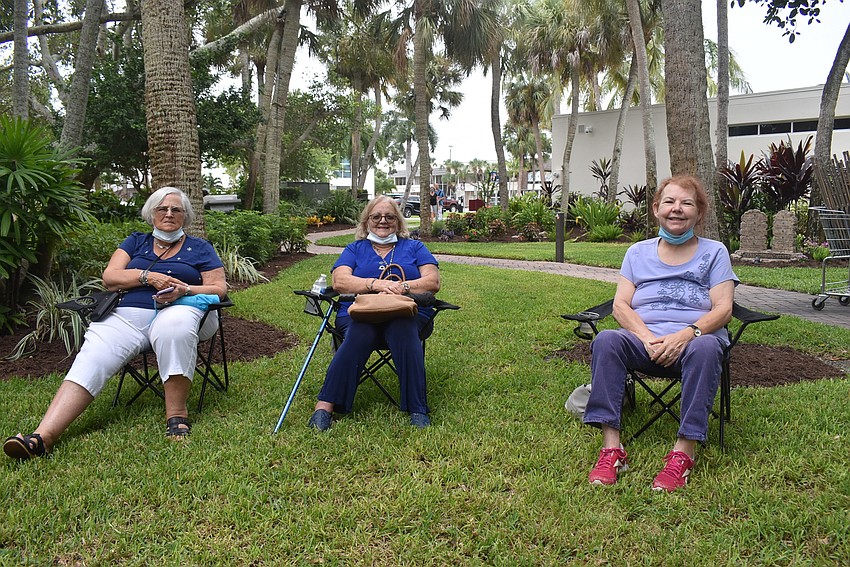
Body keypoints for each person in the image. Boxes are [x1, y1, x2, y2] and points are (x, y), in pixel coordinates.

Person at [3, 187, 227, 460]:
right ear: (151, 214)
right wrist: (147, 276)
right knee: (94, 353)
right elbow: (110, 277)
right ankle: (42, 437)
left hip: (181, 309)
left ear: (185, 216)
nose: (169, 214)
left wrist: (184, 290)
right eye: (162, 209)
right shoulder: (136, 242)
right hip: (128, 315)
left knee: (174, 328)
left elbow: (218, 288)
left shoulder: (200, 247)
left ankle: (176, 416)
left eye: (176, 209)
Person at [583, 175, 738, 492]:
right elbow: (620, 305)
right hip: (645, 344)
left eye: (687, 203)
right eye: (669, 202)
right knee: (607, 340)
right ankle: (612, 448)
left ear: (699, 213)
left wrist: (686, 334)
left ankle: (684, 452)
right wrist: (645, 337)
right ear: (656, 209)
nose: (677, 209)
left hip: (693, 346)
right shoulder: (637, 253)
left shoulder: (715, 252)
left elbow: (723, 309)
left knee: (709, 347)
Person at [308, 195, 441, 431]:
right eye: (376, 217)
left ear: (399, 223)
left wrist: (402, 287)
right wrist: (375, 284)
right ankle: (324, 406)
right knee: (361, 329)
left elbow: (432, 281)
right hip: (359, 313)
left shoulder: (415, 247)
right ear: (366, 222)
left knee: (403, 326)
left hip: (405, 310)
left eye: (390, 217)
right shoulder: (355, 249)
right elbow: (340, 282)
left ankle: (417, 408)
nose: (383, 221)